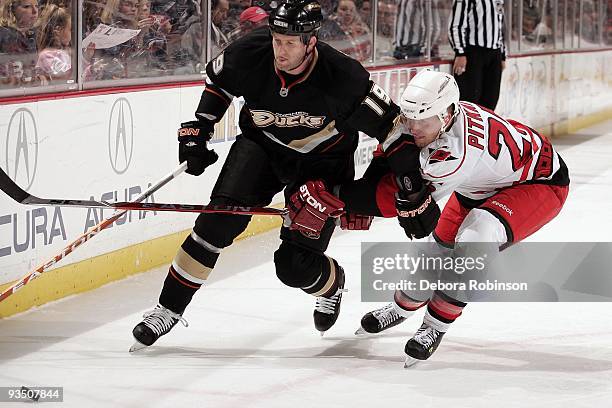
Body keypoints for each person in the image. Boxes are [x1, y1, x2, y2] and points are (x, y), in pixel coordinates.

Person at [130, 0, 424, 351]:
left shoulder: (343, 77)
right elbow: (219, 84)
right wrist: (199, 128)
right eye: (276, 39)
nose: (279, 50)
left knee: (294, 267)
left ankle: (332, 285)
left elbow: (393, 131)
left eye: (289, 43)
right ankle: (167, 309)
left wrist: (409, 187)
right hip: (262, 149)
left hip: (323, 163)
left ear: (310, 42)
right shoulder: (250, 52)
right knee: (215, 223)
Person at [347, 69, 569, 365]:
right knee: (437, 251)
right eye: (409, 117)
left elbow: (403, 201)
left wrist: (344, 203)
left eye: (423, 120)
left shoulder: (455, 153)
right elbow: (393, 157)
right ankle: (403, 307)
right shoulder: (436, 117)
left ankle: (435, 326)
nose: (414, 127)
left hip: (539, 183)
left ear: (447, 115)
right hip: (486, 180)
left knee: (475, 240)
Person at [448, 0, 507, 110]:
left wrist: (503, 55)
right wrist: (460, 52)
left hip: (495, 54)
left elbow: (500, 27)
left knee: (491, 100)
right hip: (473, 53)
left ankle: (485, 127)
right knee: (469, 101)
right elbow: (456, 24)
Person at [34, 5, 71, 84]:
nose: (72, 33)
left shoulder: (65, 51)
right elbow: (65, 77)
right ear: (58, 30)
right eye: (70, 29)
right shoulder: (46, 55)